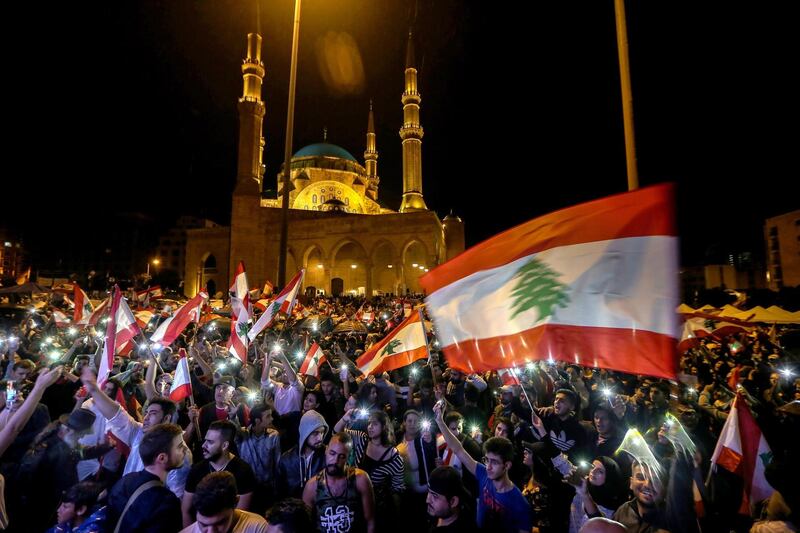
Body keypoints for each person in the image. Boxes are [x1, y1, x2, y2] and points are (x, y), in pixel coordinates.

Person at [81, 367, 193, 498]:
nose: (146, 418)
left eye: (152, 414)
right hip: (125, 499)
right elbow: (118, 416)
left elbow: (177, 495)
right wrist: (94, 390)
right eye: (146, 413)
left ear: (167, 418)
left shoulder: (180, 453)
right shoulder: (139, 432)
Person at [433, 401, 532, 533]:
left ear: (507, 465)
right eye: (487, 460)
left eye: (495, 462)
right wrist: (440, 421)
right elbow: (458, 449)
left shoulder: (520, 504)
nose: (489, 467)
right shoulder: (483, 473)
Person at [15, 408, 102, 532]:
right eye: (82, 433)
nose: (82, 437)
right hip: (38, 509)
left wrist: (103, 449)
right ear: (70, 430)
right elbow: (68, 487)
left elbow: (81, 453)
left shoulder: (56, 437)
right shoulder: (60, 452)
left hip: (29, 504)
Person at [106, 423, 188, 532]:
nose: (185, 450)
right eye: (180, 446)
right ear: (162, 458)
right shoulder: (166, 502)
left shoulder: (125, 480)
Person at [335, 408, 404, 528]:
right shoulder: (361, 439)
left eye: (375, 424)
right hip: (353, 501)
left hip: (377, 508)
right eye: (369, 423)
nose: (370, 427)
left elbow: (398, 489)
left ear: (384, 427)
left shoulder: (394, 457)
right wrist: (344, 418)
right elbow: (337, 434)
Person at [182, 420, 257, 527]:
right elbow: (186, 510)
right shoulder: (197, 470)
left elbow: (239, 516)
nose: (204, 445)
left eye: (210, 442)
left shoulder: (242, 471)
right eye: (205, 440)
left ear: (225, 445)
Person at [302, 432, 376, 533]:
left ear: (348, 457)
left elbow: (370, 521)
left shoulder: (360, 479)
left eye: (341, 456)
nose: (335, 460)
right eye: (332, 453)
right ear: (326, 450)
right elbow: (305, 527)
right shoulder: (312, 486)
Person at [180, 471, 268, 533]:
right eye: (203, 525)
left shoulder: (259, 528)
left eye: (219, 523)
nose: (211, 532)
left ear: (235, 502)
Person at [235, 403, 281, 514]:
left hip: (267, 489)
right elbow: (235, 429)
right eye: (268, 416)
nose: (272, 418)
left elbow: (277, 463)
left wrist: (277, 489)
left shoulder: (274, 435)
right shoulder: (243, 435)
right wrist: (233, 416)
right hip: (247, 489)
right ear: (257, 421)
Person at [277, 409, 328, 499]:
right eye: (315, 433)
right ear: (305, 433)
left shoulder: (327, 455)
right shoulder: (286, 460)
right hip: (295, 510)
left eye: (322, 432)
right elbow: (280, 494)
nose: (320, 438)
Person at [567, 456, 625, 533]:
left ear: (609, 477)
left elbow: (599, 525)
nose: (593, 471)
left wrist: (585, 495)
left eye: (600, 471)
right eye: (592, 467)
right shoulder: (585, 484)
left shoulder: (610, 507)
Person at [426, 465, 477, 532]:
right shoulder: (437, 512)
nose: (427, 500)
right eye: (428, 492)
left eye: (435, 496)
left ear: (453, 501)